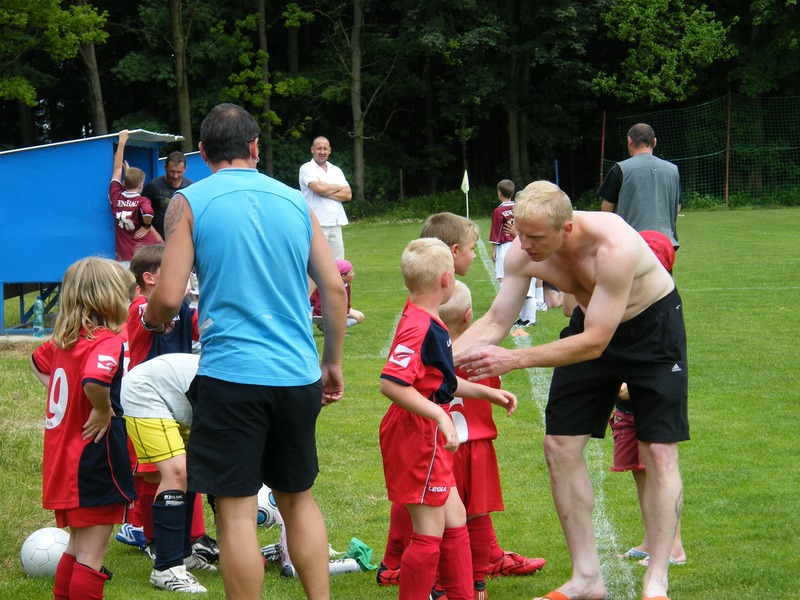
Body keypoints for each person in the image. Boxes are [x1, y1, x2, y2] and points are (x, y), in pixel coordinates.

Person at [141, 102, 347, 600]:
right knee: (298, 499)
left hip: (230, 375)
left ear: (202, 152)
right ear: (255, 147)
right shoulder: (295, 200)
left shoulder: (188, 202)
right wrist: (332, 363)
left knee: (235, 511)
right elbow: (334, 290)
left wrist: (150, 319)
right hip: (297, 374)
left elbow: (168, 296)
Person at [454, 180, 688, 600]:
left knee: (658, 450)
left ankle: (656, 580)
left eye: (535, 237)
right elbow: (495, 321)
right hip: (591, 325)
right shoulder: (524, 251)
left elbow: (595, 342)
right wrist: (434, 362)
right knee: (559, 445)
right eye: (520, 233)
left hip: (651, 332)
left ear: (566, 229)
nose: (523, 245)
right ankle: (587, 578)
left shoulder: (614, 246)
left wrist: (514, 359)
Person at [378, 212, 543, 590]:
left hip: (426, 431)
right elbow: (392, 384)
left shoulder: (428, 319)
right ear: (446, 279)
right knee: (429, 533)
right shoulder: (420, 326)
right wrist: (439, 416)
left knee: (455, 521)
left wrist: (489, 392)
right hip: (418, 434)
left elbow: (438, 382)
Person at [29, 257, 136, 600]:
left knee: (76, 548)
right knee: (91, 554)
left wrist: (65, 391)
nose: (130, 300)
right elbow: (94, 381)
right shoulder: (106, 341)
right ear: (109, 298)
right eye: (126, 293)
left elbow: (37, 361)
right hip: (92, 459)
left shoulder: (65, 340)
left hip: (64, 460)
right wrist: (102, 409)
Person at [443, 280, 543, 598]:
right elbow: (493, 384)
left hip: (442, 448)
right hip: (478, 449)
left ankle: (443, 584)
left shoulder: (430, 355)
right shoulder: (481, 358)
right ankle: (477, 584)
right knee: (478, 516)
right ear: (469, 316)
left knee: (443, 518)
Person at [613, 230, 686, 568]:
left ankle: (673, 546)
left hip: (651, 398)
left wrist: (633, 382)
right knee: (640, 472)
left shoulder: (663, 304)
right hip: (626, 404)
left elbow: (663, 355)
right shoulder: (621, 294)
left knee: (659, 468)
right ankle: (651, 539)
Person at [121, 352, 211, 593]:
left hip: (178, 398)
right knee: (176, 473)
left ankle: (183, 555)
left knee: (189, 470)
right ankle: (166, 567)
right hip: (146, 391)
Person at [597, 123, 681, 249]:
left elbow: (607, 209)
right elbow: (677, 207)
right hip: (665, 244)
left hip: (631, 244)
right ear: (654, 142)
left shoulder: (620, 169)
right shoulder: (673, 170)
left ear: (629, 141)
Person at [109, 130, 163, 264]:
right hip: (144, 254)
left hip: (124, 255)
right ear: (141, 184)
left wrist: (122, 141)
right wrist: (146, 226)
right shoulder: (142, 201)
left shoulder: (116, 197)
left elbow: (117, 169)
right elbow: (148, 212)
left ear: (123, 183)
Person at [299, 136, 352, 260]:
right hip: (317, 223)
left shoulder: (336, 170)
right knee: (317, 262)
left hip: (336, 222)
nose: (322, 152)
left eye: (325, 148)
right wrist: (337, 187)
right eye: (319, 148)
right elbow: (318, 188)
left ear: (329, 150)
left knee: (338, 263)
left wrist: (325, 191)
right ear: (312, 149)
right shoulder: (306, 168)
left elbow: (348, 194)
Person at [142, 151, 195, 239]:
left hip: (182, 239)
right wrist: (157, 238)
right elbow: (142, 214)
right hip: (157, 240)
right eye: (172, 171)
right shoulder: (153, 186)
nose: (175, 176)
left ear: (185, 169)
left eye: (179, 172)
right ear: (165, 168)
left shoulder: (191, 187)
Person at [310, 258, 364, 331]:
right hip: (316, 313)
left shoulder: (347, 286)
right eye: (351, 272)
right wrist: (337, 316)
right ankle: (330, 327)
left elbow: (346, 305)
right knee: (338, 319)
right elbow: (318, 308)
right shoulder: (327, 286)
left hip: (334, 309)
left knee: (360, 317)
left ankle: (330, 327)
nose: (353, 274)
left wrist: (344, 314)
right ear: (343, 276)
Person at [489, 179, 517, 283]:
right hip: (518, 243)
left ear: (499, 193)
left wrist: (493, 250)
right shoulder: (518, 208)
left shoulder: (498, 211)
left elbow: (495, 232)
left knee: (503, 276)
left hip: (504, 246)